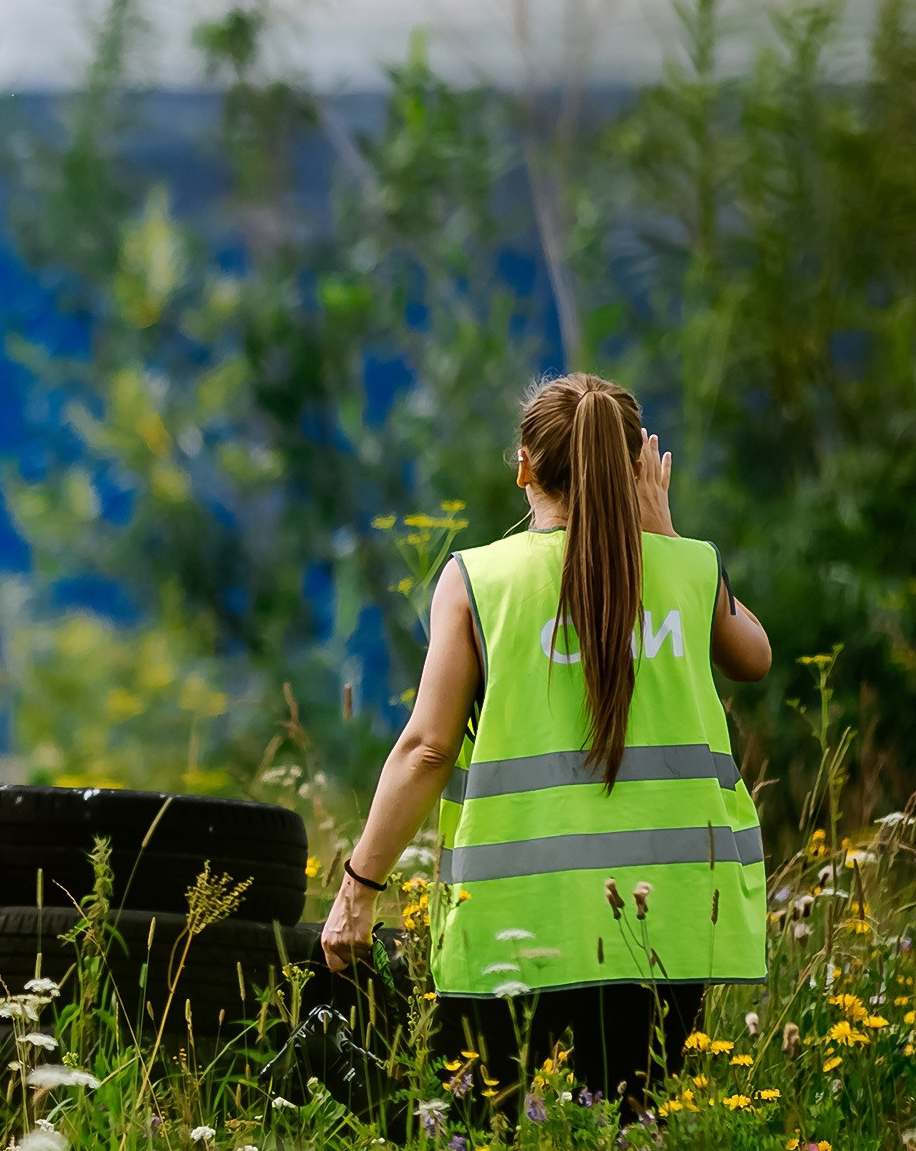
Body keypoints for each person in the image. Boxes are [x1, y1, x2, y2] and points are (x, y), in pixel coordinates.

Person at [321, 374, 772, 1111]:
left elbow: (427, 749)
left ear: (524, 466)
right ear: (635, 472)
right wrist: (664, 534)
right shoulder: (690, 568)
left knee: (471, 1138)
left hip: (516, 915)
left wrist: (357, 890)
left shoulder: (478, 580)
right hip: (669, 918)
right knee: (635, 1142)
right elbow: (755, 656)